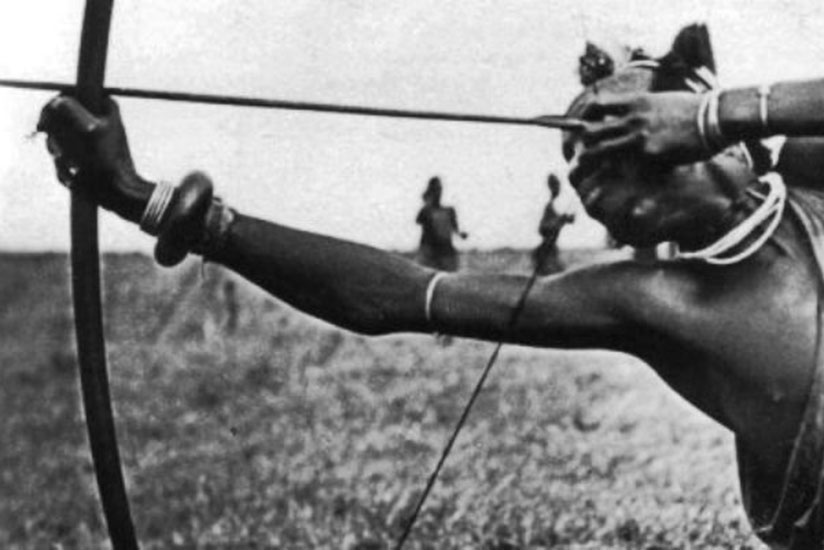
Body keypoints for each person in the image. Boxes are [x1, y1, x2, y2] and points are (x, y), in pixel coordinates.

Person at [36, 24, 824, 548]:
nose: (586, 158)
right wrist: (149, 200)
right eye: (578, 150)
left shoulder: (810, 176)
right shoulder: (651, 299)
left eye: (622, 120)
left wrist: (726, 112)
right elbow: (394, 294)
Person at [415, 177, 467, 272]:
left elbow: (455, 229)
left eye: (439, 189)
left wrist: (461, 234)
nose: (439, 193)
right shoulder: (426, 211)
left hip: (445, 252)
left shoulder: (449, 211)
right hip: (429, 253)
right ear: (431, 191)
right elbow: (418, 220)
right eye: (436, 190)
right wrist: (428, 203)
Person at [533, 173, 575, 275]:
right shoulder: (551, 205)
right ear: (552, 187)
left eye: (558, 185)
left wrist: (566, 219)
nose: (558, 188)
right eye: (556, 185)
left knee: (558, 268)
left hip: (550, 247)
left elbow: (569, 220)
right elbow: (542, 228)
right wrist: (562, 220)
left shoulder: (554, 204)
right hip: (546, 249)